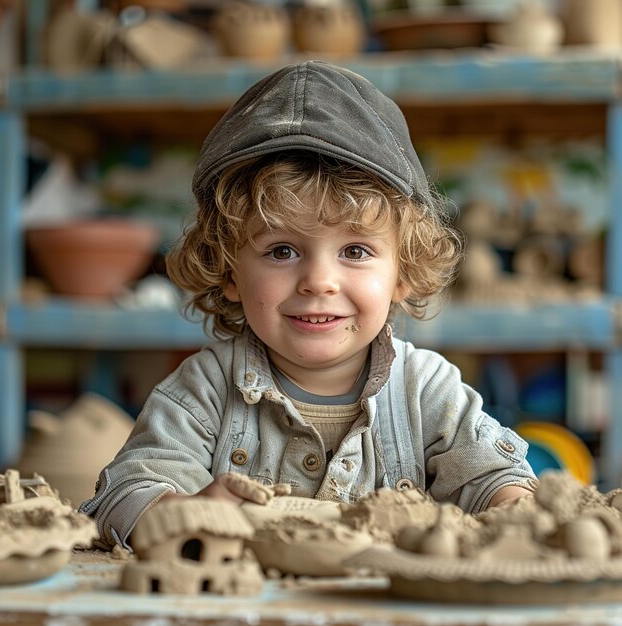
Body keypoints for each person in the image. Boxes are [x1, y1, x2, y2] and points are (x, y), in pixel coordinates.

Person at [81, 61, 537, 549]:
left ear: (401, 273)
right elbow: (124, 495)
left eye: (355, 251)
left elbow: (494, 479)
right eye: (282, 251)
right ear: (229, 268)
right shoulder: (204, 390)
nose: (319, 281)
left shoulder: (428, 389)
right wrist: (176, 514)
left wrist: (514, 509)